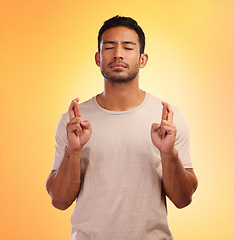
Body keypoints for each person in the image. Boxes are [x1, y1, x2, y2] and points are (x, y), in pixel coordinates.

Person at [46, 15, 198, 240]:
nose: (118, 54)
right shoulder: (75, 122)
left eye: (128, 47)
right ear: (98, 58)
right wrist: (73, 151)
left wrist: (168, 153)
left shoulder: (167, 120)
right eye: (109, 47)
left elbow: (183, 199)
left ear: (143, 59)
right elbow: (59, 200)